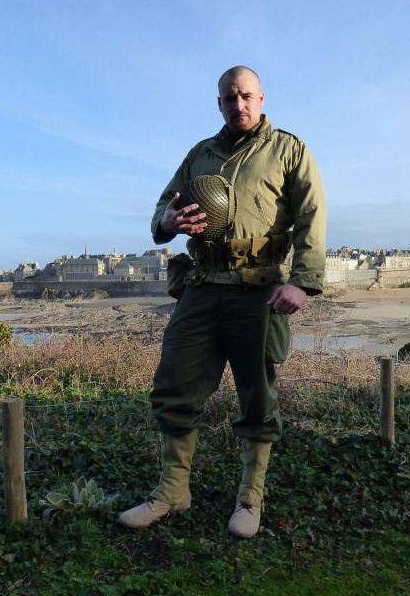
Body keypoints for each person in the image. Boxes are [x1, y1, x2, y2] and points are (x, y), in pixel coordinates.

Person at [118, 66, 326, 538]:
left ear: (262, 97)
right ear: (219, 103)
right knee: (174, 383)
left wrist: (304, 282)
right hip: (203, 285)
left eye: (246, 96)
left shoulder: (288, 150)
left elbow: (313, 215)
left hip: (259, 292)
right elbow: (160, 211)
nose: (239, 105)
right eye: (230, 98)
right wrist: (168, 222)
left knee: (257, 394)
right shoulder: (200, 154)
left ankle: (250, 500)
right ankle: (172, 492)